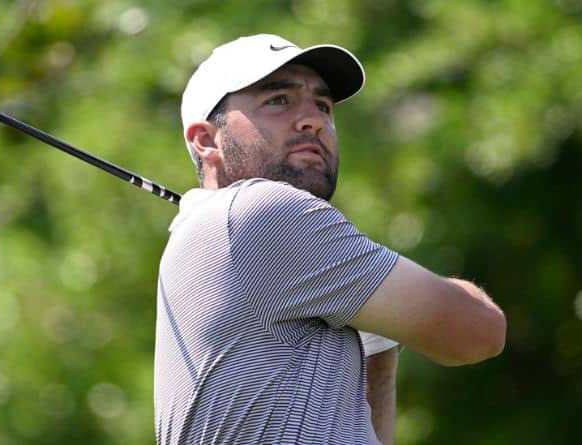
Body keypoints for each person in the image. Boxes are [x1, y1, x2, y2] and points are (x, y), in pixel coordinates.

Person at [154, 34, 506, 444]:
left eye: (322, 106)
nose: (314, 120)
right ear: (206, 140)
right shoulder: (260, 213)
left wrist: (372, 323)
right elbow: (479, 333)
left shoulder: (215, 233)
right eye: (278, 101)